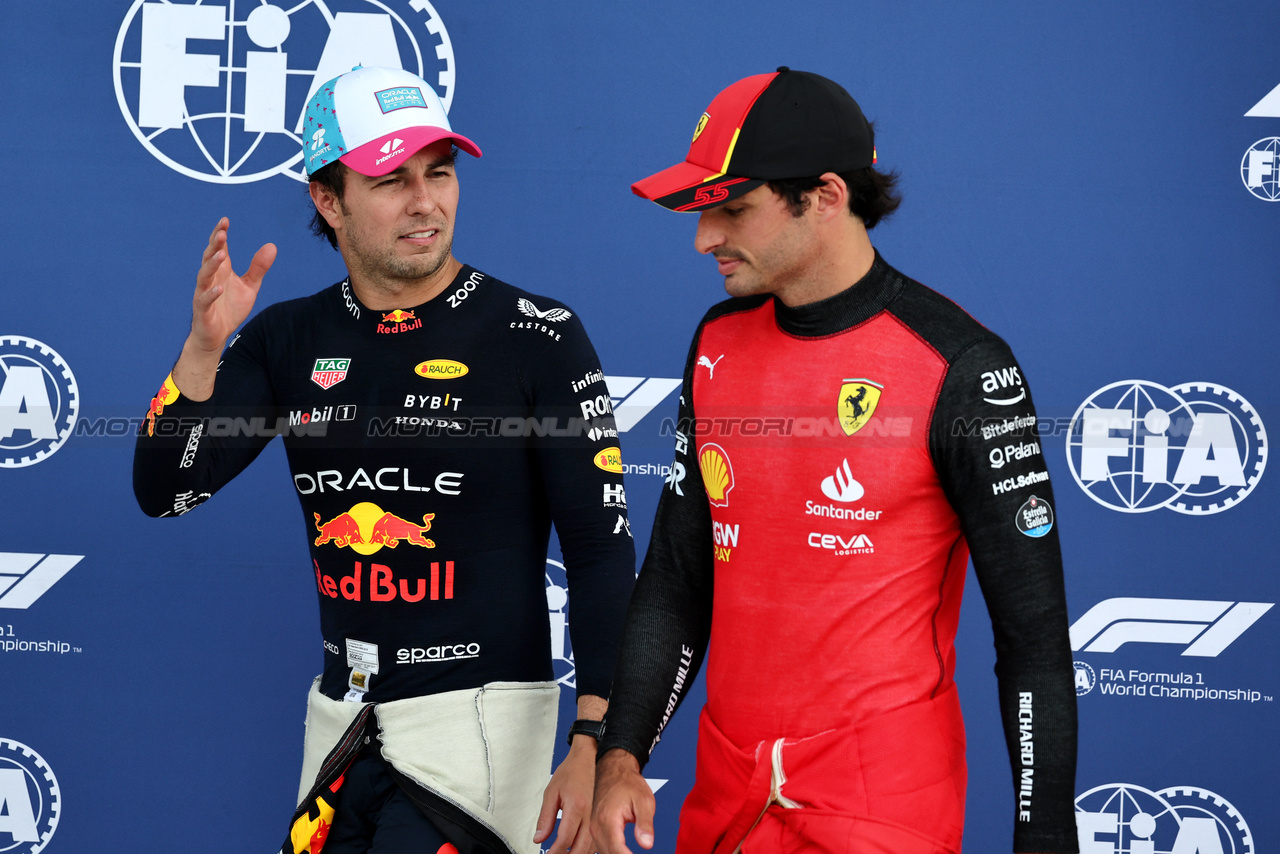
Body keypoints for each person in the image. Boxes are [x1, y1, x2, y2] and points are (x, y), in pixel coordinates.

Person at [132, 65, 634, 854]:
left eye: (439, 173)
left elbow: (602, 554)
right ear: (328, 201)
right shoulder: (286, 338)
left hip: (478, 736)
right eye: (391, 180)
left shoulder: (535, 333)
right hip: (340, 727)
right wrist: (202, 352)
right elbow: (165, 492)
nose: (426, 201)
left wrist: (597, 744)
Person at [591, 68, 1078, 854]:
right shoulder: (717, 341)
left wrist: (1047, 835)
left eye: (732, 208)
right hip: (726, 800)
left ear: (823, 196)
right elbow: (678, 579)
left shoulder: (961, 366)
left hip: (880, 807)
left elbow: (1033, 638)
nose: (704, 237)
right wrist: (622, 753)